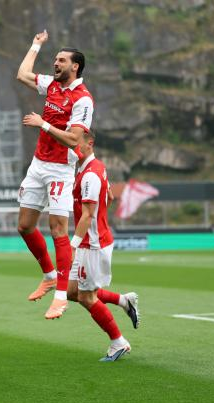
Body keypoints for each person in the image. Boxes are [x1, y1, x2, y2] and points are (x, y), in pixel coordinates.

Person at [16, 29, 93, 319]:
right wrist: (35, 45)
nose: (55, 63)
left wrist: (43, 125)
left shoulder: (83, 99)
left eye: (61, 60)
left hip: (61, 169)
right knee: (24, 226)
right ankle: (49, 276)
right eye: (55, 59)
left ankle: (61, 296)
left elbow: (74, 140)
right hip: (38, 164)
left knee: (58, 229)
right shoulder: (51, 85)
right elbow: (22, 74)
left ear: (75, 66)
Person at [67, 132, 134, 361]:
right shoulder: (92, 168)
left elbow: (88, 215)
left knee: (86, 297)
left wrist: (73, 246)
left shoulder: (90, 175)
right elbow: (110, 198)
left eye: (76, 142)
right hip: (91, 239)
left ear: (90, 143)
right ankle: (123, 300)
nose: (73, 146)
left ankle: (118, 342)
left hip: (91, 244)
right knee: (72, 292)